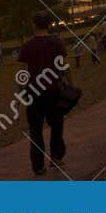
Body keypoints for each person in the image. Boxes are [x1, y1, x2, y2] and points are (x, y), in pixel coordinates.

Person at [18, 10, 69, 177]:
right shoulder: (57, 43)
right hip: (53, 90)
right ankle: (56, 156)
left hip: (33, 91)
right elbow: (64, 67)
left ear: (34, 25)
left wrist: (20, 93)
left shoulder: (27, 45)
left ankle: (38, 166)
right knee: (56, 125)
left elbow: (22, 73)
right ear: (49, 24)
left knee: (35, 130)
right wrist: (70, 85)